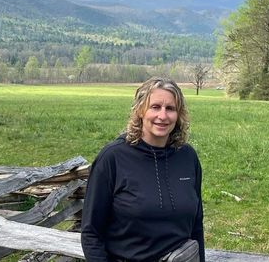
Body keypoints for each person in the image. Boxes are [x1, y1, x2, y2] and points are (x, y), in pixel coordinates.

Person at [81, 77, 205, 262]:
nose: (162, 116)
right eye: (155, 107)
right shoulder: (113, 158)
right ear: (140, 110)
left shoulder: (187, 157)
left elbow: (196, 225)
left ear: (179, 114)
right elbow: (91, 233)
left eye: (170, 108)